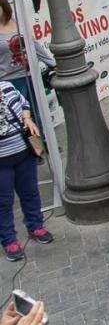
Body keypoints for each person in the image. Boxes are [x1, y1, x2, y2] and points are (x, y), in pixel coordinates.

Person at [0, 81, 52, 262]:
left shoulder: (7, 87)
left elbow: (24, 104)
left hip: (23, 152)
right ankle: (9, 240)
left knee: (30, 191)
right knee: (3, 202)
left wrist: (27, 118)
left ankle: (36, 226)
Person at [0, 0, 55, 107]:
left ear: (3, 5)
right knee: (22, 118)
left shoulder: (17, 20)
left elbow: (32, 44)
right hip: (9, 81)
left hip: (32, 75)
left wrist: (52, 64)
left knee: (39, 115)